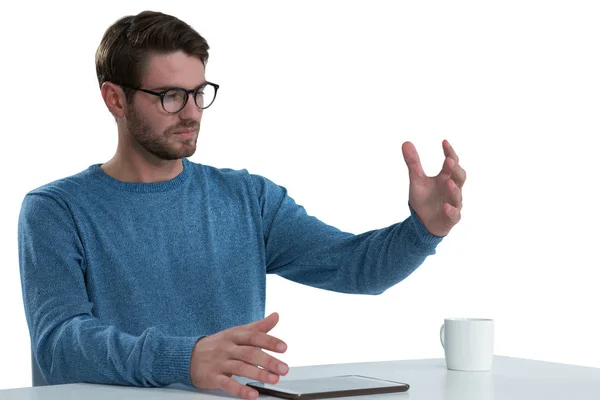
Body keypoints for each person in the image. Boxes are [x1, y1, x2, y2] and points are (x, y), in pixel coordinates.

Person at [17, 10, 466, 400]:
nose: (191, 112)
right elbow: (60, 346)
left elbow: (356, 268)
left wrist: (422, 230)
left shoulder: (247, 199)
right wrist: (184, 358)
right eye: (170, 96)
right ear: (115, 98)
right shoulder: (56, 210)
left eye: (199, 92)